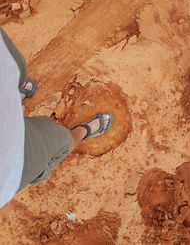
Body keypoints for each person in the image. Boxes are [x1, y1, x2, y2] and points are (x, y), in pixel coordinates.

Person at [0, 26, 113, 208]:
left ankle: (12, 100)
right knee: (61, 141)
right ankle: (82, 132)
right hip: (7, 162)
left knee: (9, 86)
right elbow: (15, 67)